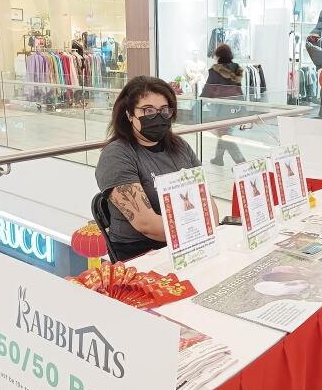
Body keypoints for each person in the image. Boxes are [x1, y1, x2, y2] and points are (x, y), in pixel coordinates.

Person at [96, 76, 214, 261]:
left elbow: (205, 198)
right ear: (129, 114)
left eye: (164, 110)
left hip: (189, 243)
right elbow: (146, 224)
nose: (157, 116)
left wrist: (205, 231)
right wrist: (199, 231)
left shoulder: (180, 146)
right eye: (148, 110)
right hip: (141, 255)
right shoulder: (116, 155)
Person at [201, 43, 246, 166]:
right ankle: (218, 158)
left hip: (221, 107)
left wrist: (198, 103)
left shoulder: (215, 70)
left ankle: (241, 162)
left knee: (224, 134)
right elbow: (239, 89)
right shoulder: (236, 69)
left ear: (219, 55)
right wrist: (243, 107)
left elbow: (208, 89)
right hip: (234, 106)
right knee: (223, 131)